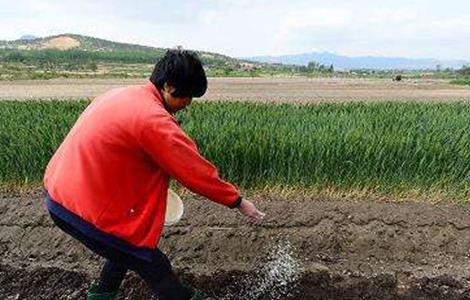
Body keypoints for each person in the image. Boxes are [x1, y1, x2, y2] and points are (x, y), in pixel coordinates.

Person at [43, 49, 265, 300]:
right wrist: (237, 201)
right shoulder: (153, 120)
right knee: (151, 262)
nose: (188, 103)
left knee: (126, 247)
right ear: (169, 86)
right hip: (81, 210)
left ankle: (101, 296)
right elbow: (194, 171)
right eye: (187, 96)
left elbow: (114, 158)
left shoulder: (120, 95)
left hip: (58, 196)